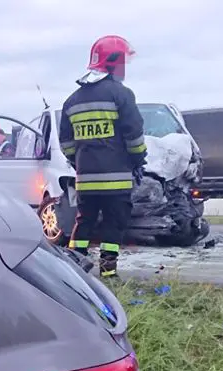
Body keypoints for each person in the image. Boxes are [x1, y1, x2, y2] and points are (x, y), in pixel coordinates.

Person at [59, 35, 146, 279]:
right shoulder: (121, 94)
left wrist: (79, 162)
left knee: (84, 222)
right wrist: (138, 160)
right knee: (113, 224)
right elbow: (134, 135)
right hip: (116, 179)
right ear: (113, 63)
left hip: (85, 179)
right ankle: (108, 271)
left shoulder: (72, 101)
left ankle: (74, 270)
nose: (124, 68)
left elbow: (66, 143)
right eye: (123, 62)